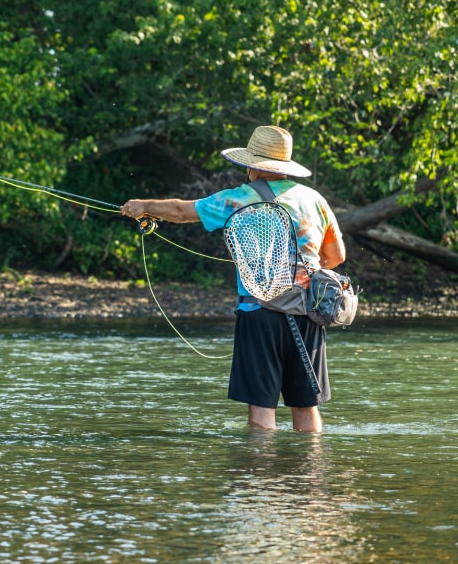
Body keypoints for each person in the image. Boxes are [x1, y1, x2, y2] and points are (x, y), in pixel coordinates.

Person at [120, 125, 346, 433]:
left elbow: (181, 211)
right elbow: (336, 256)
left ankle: (259, 463)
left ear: (253, 166)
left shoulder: (238, 198)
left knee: (262, 408)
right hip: (309, 313)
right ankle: (310, 463)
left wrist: (144, 206)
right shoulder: (314, 199)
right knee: (306, 406)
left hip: (260, 314)